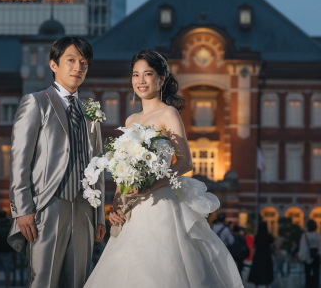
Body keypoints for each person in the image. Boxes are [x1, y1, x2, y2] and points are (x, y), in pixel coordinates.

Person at [84, 49, 244, 288]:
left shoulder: (168, 113)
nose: (140, 81)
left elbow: (185, 162)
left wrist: (149, 187)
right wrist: (116, 203)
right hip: (132, 208)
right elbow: (122, 171)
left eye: (147, 74)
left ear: (161, 79)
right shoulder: (131, 120)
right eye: (136, 75)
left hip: (161, 204)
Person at [6, 36, 106, 288]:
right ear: (53, 64)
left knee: (79, 281)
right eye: (70, 60)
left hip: (84, 209)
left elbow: (98, 166)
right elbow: (20, 160)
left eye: (83, 62)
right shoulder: (36, 102)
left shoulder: (90, 111)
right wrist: (22, 209)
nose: (78, 68)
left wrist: (100, 215)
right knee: (44, 281)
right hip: (47, 206)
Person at [298, 219, 321, 288]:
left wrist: (301, 257)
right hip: (316, 257)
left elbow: (303, 247)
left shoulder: (304, 235)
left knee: (307, 275)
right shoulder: (318, 235)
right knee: (316, 276)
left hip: (307, 257)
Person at [248, 221, 275, 288]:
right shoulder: (268, 236)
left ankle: (256, 285)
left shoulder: (257, 236)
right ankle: (267, 285)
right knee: (266, 270)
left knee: (257, 270)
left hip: (258, 255)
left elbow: (255, 243)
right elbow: (272, 241)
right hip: (266, 255)